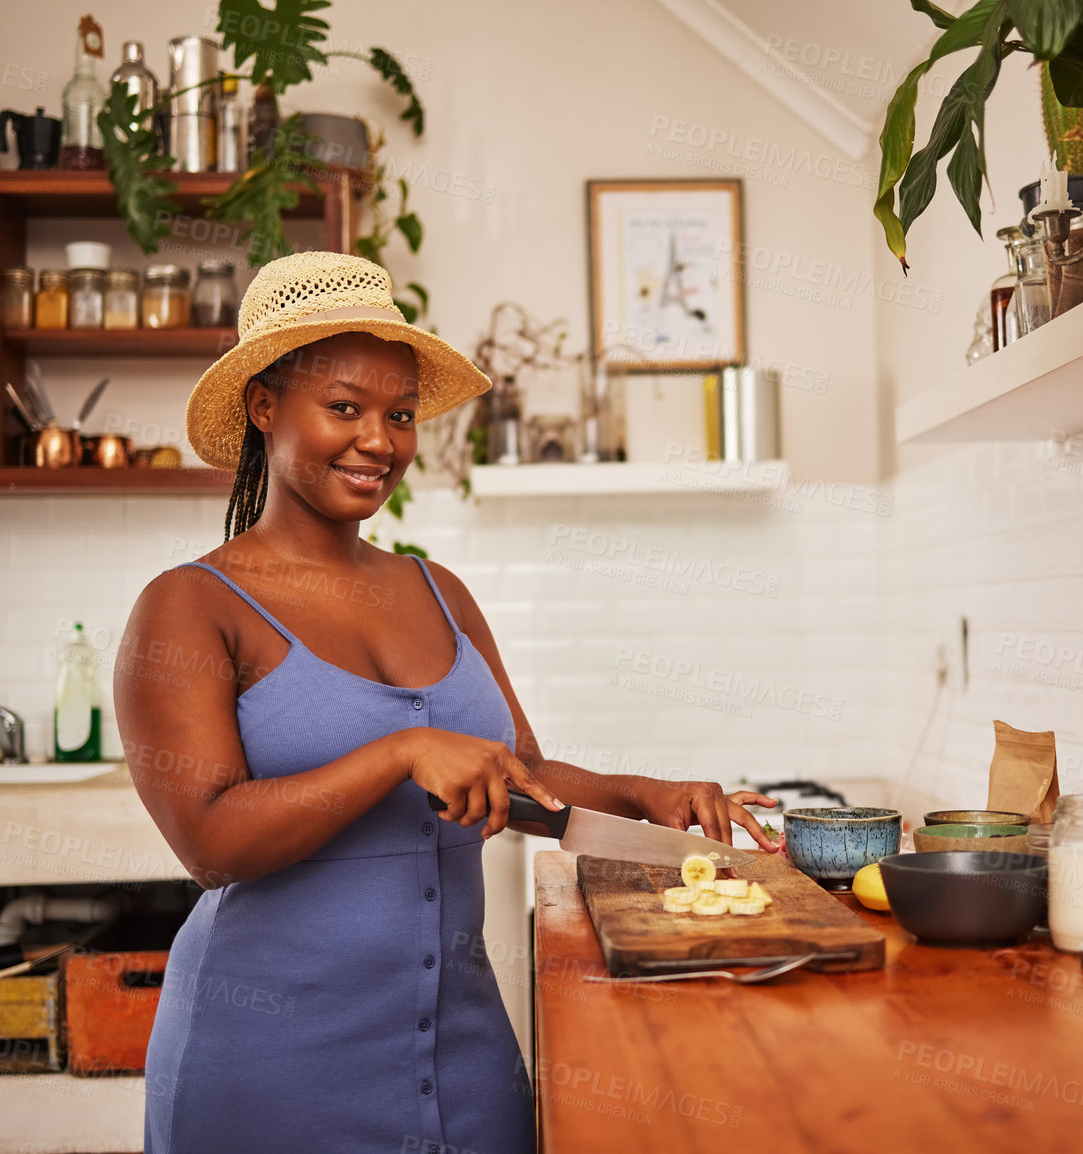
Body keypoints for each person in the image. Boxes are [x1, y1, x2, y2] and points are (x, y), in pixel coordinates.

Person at [113, 251, 780, 1154]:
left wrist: (649, 798)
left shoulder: (438, 590)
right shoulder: (189, 605)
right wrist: (398, 753)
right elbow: (208, 841)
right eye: (343, 407)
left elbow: (520, 777)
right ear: (264, 407)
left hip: (461, 1055)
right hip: (268, 1063)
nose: (378, 440)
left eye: (397, 415)